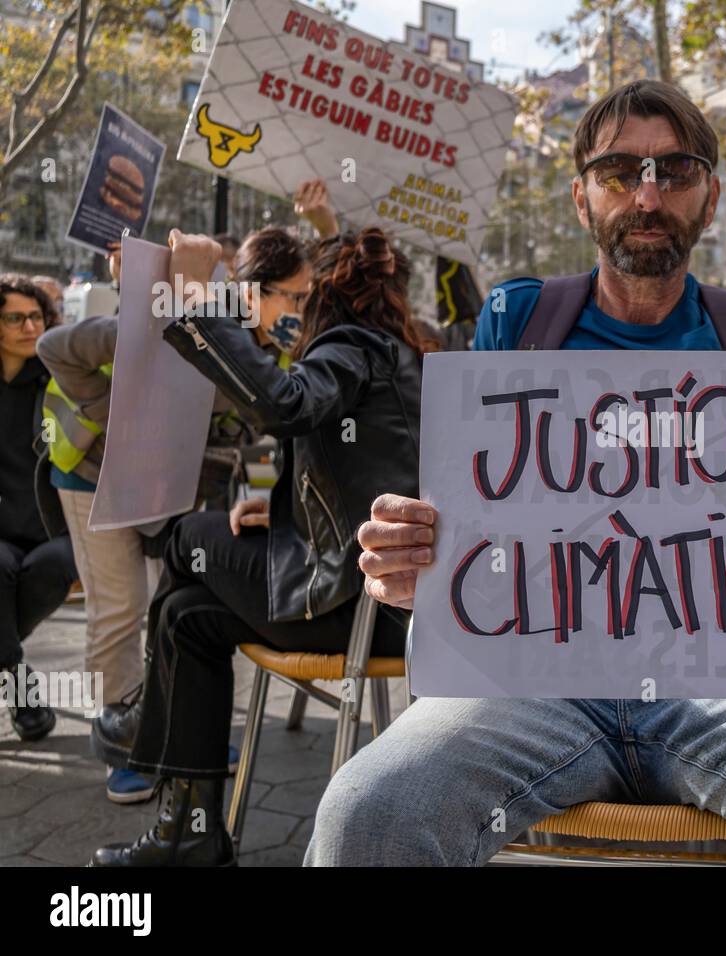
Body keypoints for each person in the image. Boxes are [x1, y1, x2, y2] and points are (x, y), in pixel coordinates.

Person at [305, 79, 726, 868]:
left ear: (710, 199)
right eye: (619, 171)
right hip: (533, 683)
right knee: (369, 807)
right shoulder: (518, 322)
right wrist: (416, 567)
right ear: (583, 199)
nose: (648, 194)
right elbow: (468, 519)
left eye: (675, 171)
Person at [88, 223, 423, 866]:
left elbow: (284, 405)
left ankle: (140, 716)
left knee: (185, 535)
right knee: (187, 618)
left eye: (300, 298)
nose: (292, 313)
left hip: (350, 609)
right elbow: (369, 478)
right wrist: (285, 512)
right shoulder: (403, 352)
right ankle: (188, 836)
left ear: (324, 296)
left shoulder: (354, 344)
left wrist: (199, 297)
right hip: (378, 612)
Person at [41, 231, 311, 803]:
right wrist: (111, 412)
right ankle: (123, 747)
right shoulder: (137, 330)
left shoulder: (257, 346)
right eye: (296, 296)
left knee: (174, 609)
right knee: (119, 610)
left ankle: (178, 734)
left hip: (178, 485)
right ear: (252, 293)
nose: (303, 310)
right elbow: (55, 349)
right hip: (96, 477)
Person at [0, 276, 78, 740]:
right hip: (2, 533)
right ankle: (15, 674)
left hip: (56, 527)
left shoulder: (60, 378)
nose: (29, 326)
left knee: (52, 567)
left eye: (36, 317)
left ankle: (6, 655)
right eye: (15, 318)